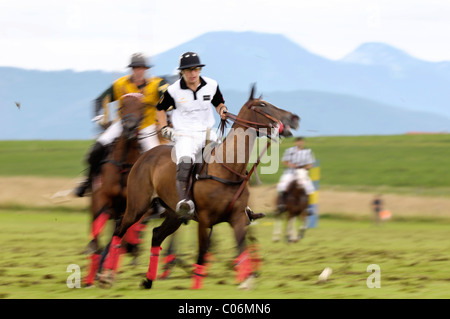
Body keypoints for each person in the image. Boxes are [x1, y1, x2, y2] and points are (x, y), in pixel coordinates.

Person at [75, 53, 168, 197]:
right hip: (122, 124)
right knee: (98, 147)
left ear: (146, 69)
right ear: (132, 69)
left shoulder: (157, 84)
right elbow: (100, 100)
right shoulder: (120, 84)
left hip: (146, 126)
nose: (139, 71)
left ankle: (158, 195)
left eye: (141, 68)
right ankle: (88, 182)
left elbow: (169, 97)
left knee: (156, 158)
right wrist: (99, 116)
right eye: (136, 68)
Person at [156, 51, 228, 220]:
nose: (192, 73)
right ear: (182, 72)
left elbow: (218, 103)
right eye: (188, 70)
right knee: (186, 160)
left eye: (195, 69)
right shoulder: (173, 91)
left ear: (200, 70)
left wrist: (222, 111)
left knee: (227, 159)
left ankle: (238, 200)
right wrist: (164, 127)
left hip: (208, 132)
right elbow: (159, 109)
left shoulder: (212, 84)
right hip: (185, 134)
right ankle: (184, 201)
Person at [276, 137, 316, 213]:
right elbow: (284, 161)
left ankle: (309, 207)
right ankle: (281, 204)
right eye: (298, 142)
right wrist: (292, 165)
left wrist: (305, 168)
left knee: (309, 187)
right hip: (290, 172)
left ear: (303, 142)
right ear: (295, 143)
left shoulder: (308, 151)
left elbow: (311, 164)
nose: (299, 143)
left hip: (302, 172)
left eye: (301, 142)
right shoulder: (289, 151)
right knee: (282, 185)